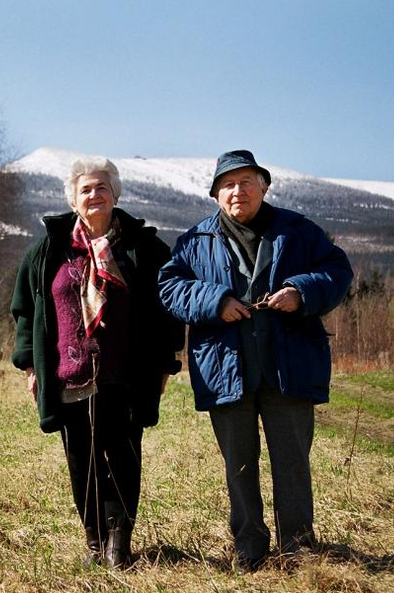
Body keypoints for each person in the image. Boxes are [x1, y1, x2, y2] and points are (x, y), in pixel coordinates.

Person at [157, 150, 353, 572]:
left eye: (247, 181)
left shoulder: (299, 232)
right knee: (239, 466)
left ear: (264, 187)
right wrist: (216, 301)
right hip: (225, 369)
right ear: (215, 195)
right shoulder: (194, 241)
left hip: (290, 367)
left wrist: (301, 291)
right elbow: (169, 288)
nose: (237, 191)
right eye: (227, 184)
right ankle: (249, 545)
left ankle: (297, 548)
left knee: (293, 463)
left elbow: (338, 272)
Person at [10, 157, 184, 567]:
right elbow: (25, 310)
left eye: (101, 187)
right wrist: (31, 366)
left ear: (115, 194)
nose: (94, 195)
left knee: (123, 457)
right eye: (85, 189)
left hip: (127, 373)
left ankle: (118, 543)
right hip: (70, 376)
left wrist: (164, 364)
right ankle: (94, 538)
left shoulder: (144, 249)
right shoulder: (48, 249)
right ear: (74, 198)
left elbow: (167, 311)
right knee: (81, 463)